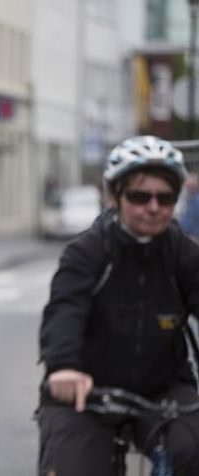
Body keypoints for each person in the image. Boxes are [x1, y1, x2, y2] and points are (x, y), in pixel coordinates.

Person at [37, 135, 199, 475]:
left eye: (164, 197)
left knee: (190, 453)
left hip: (164, 390)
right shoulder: (88, 252)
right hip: (86, 391)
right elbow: (65, 311)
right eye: (140, 196)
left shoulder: (183, 253)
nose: (153, 207)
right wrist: (64, 366)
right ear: (116, 196)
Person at [179, 172, 199, 241]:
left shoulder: (196, 201)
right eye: (187, 185)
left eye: (191, 185)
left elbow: (189, 222)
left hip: (193, 236)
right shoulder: (189, 198)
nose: (188, 187)